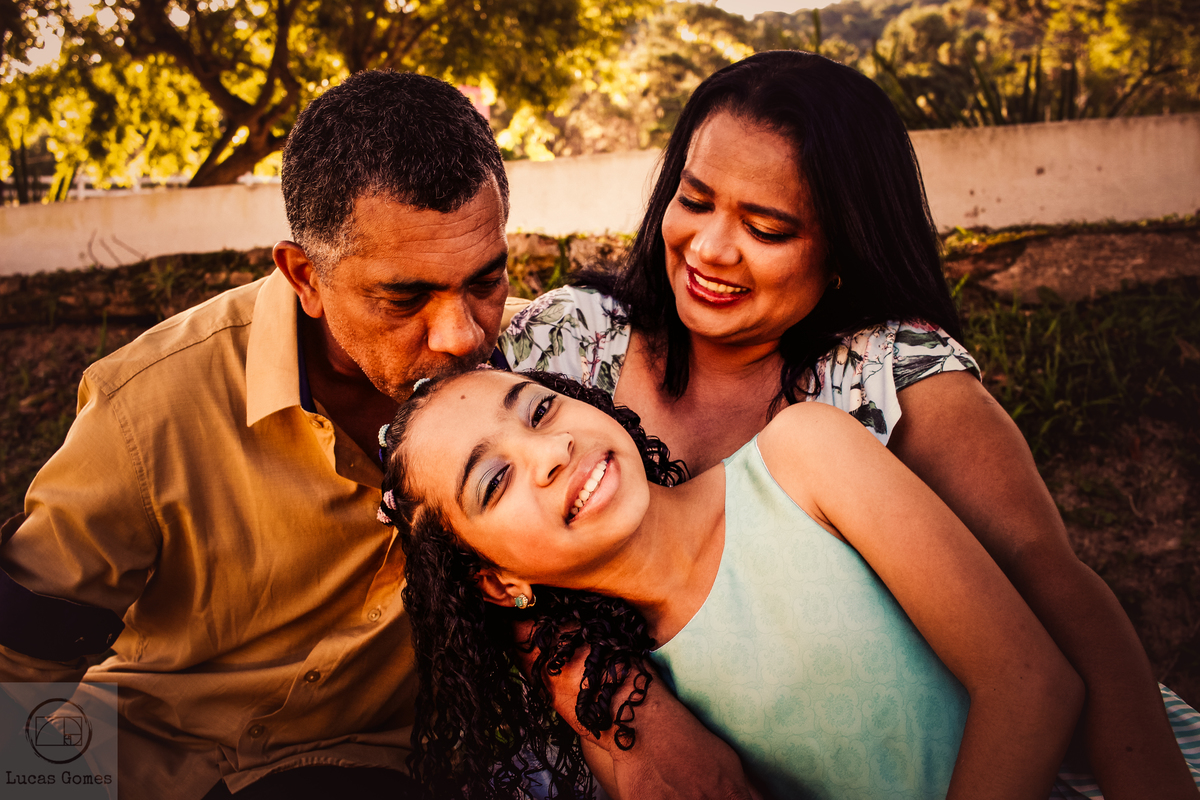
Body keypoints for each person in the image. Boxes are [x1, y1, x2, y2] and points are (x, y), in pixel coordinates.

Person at [498, 51, 1200, 797]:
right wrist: (626, 720)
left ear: (843, 247)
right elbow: (451, 513)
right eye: (695, 200)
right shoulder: (569, 346)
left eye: (767, 228)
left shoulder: (886, 376)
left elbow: (1051, 586)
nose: (709, 249)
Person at [0, 70, 521, 799]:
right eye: (404, 298)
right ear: (304, 275)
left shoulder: (535, 399)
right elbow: (20, 658)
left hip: (362, 775)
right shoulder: (147, 406)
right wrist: (42, 785)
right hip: (126, 770)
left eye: (486, 281)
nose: (463, 335)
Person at [376, 367, 1092, 799]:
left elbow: (1032, 683)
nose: (552, 450)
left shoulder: (800, 459)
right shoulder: (619, 711)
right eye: (494, 480)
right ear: (500, 585)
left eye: (539, 409)